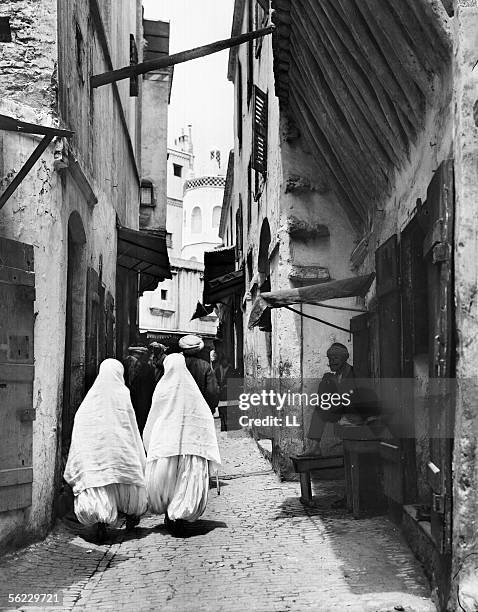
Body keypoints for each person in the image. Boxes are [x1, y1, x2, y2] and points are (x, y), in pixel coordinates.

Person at [64, 359, 148, 541]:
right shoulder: (123, 393)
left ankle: (100, 521)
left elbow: (81, 425)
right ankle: (131, 514)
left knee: (99, 481)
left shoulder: (91, 399)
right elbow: (131, 424)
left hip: (97, 455)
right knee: (125, 479)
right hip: (120, 451)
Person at [143, 353, 221, 534]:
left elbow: (154, 416)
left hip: (167, 446)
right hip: (189, 447)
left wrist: (151, 440)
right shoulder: (192, 391)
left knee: (167, 483)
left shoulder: (162, 388)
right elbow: (204, 417)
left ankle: (171, 512)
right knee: (186, 480)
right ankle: (179, 512)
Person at [304, 343, 357, 456]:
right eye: (330, 359)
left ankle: (315, 445)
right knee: (322, 400)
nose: (332, 361)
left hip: (353, 412)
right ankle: (314, 445)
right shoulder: (335, 376)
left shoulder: (353, 373)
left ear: (344, 358)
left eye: (335, 358)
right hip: (340, 411)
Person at [179, 335, 219, 413]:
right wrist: (210, 409)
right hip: (200, 410)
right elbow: (212, 392)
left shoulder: (177, 364)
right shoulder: (204, 366)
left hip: (180, 410)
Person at [125, 346, 156, 434]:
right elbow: (151, 387)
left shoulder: (122, 364)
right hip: (142, 402)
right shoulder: (148, 368)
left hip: (127, 400)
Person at [214, 354, 240, 432]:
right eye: (223, 360)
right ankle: (223, 427)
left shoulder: (231, 370)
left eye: (225, 361)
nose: (224, 362)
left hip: (228, 393)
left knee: (228, 410)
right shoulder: (217, 370)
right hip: (220, 393)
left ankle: (229, 426)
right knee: (222, 411)